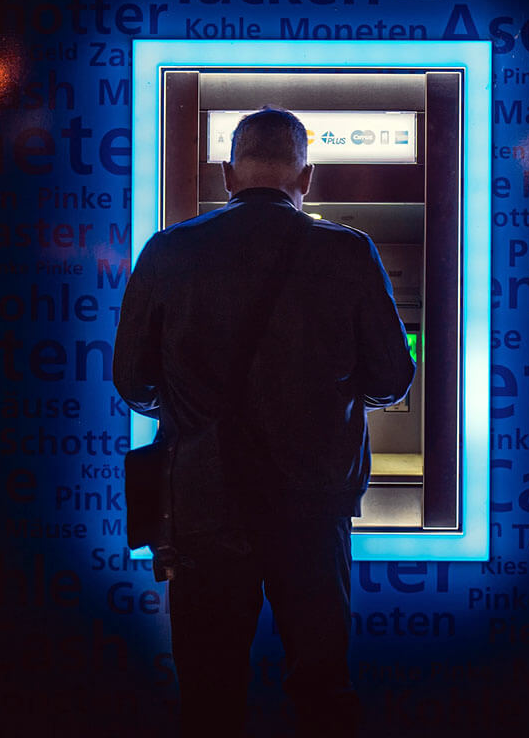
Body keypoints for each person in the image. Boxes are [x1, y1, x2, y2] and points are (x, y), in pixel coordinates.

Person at [113, 107, 416, 738]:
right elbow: (392, 378)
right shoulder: (349, 251)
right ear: (308, 175)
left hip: (203, 506)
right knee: (322, 688)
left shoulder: (170, 251)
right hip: (312, 507)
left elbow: (132, 381)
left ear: (228, 174)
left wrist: (189, 417)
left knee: (209, 690)